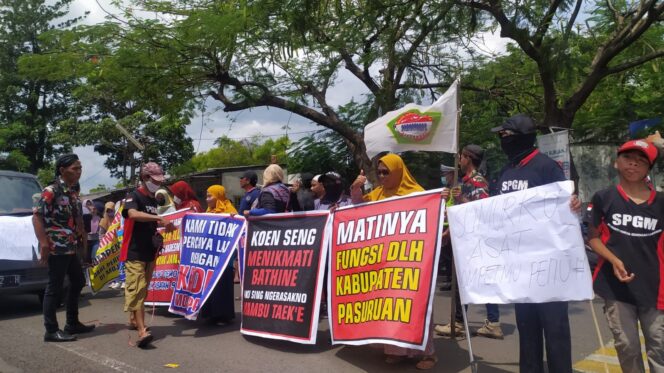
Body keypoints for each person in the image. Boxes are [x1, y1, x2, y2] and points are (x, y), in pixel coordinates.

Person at [492, 114, 580, 373]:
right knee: (527, 331)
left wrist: (573, 206)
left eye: (505, 135)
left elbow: (565, 208)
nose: (501, 140)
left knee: (556, 332)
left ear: (522, 137)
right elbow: (494, 210)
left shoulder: (546, 167)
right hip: (521, 267)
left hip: (550, 267)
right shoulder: (506, 170)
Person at [349, 153, 436, 370]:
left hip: (411, 262)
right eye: (379, 172)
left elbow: (430, 219)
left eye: (386, 172)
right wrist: (356, 188)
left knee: (415, 307)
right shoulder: (377, 194)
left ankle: (427, 354)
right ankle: (397, 351)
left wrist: (441, 198)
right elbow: (356, 210)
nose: (381, 176)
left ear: (397, 170)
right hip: (384, 264)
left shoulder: (417, 194)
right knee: (389, 308)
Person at [588, 139, 664, 373]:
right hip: (616, 288)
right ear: (616, 163)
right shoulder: (603, 198)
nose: (633, 164)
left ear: (649, 170)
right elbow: (593, 238)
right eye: (628, 159)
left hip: (656, 288)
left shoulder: (661, 202)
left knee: (659, 347)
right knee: (627, 346)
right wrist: (614, 260)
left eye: (641, 161)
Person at [435, 145, 503, 340]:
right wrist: (448, 232)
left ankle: (460, 322)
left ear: (469, 159)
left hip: (476, 239)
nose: (458, 159)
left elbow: (482, 209)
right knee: (470, 280)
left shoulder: (478, 182)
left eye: (461, 156)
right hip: (464, 237)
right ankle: (490, 322)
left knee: (462, 280)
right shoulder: (463, 181)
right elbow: (459, 215)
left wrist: (462, 199)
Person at [32, 153, 95, 342]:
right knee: (55, 287)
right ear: (62, 170)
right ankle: (50, 330)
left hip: (70, 246)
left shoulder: (72, 193)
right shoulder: (51, 191)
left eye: (80, 167)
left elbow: (77, 222)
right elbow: (36, 217)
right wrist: (44, 243)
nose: (79, 171)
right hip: (55, 247)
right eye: (75, 168)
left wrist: (83, 246)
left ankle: (72, 323)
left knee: (77, 282)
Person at [120, 162, 175, 348]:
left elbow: (148, 223)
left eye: (160, 180)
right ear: (145, 178)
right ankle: (143, 331)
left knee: (142, 290)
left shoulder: (153, 200)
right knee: (138, 288)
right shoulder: (133, 196)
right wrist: (159, 218)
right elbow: (133, 215)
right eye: (154, 180)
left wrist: (163, 226)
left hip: (149, 252)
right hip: (134, 252)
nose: (158, 184)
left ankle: (134, 318)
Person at [200, 185, 237, 324]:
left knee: (221, 285)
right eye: (206, 195)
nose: (207, 199)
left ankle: (223, 315)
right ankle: (210, 314)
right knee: (210, 284)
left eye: (210, 196)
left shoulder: (230, 211)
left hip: (223, 258)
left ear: (219, 196)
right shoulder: (209, 211)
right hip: (209, 257)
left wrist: (234, 218)